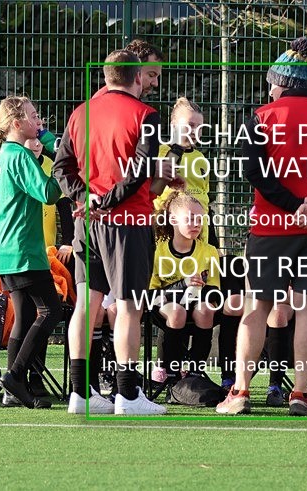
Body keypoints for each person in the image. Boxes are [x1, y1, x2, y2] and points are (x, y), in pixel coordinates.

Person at [216, 37, 307, 416]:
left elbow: (253, 172)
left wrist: (291, 205)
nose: (268, 90)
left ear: (282, 81)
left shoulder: (262, 116)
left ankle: (241, 392)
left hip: (271, 227)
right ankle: (301, 394)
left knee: (256, 305)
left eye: (271, 83)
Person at [53, 49, 170, 415]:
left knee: (86, 304)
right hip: (127, 223)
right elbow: (138, 172)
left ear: (106, 77)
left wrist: (85, 198)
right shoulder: (147, 115)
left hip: (86, 223)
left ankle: (79, 394)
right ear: (136, 77)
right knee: (129, 307)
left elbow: (61, 168)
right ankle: (128, 395)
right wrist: (105, 199)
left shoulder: (79, 113)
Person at [0, 135, 74, 404]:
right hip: (24, 252)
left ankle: (18, 385)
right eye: (34, 120)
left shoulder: (6, 157)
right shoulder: (18, 158)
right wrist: (67, 166)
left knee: (26, 315)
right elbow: (48, 193)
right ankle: (17, 375)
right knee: (50, 310)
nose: (39, 133)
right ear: (18, 127)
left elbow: (61, 205)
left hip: (19, 251)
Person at [148, 191, 221, 382]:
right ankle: (170, 372)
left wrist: (198, 290)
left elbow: (214, 290)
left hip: (196, 303)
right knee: (177, 312)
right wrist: (183, 285)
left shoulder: (209, 251)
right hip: (164, 304)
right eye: (190, 218)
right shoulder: (158, 250)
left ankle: (195, 373)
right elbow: (151, 293)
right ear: (173, 219)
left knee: (206, 310)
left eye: (200, 219)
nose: (196, 223)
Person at [152, 97, 219, 246]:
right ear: (174, 125)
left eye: (200, 127)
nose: (194, 131)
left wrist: (213, 242)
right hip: (166, 233)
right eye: (190, 125)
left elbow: (204, 200)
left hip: (199, 238)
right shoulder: (160, 154)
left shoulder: (201, 159)